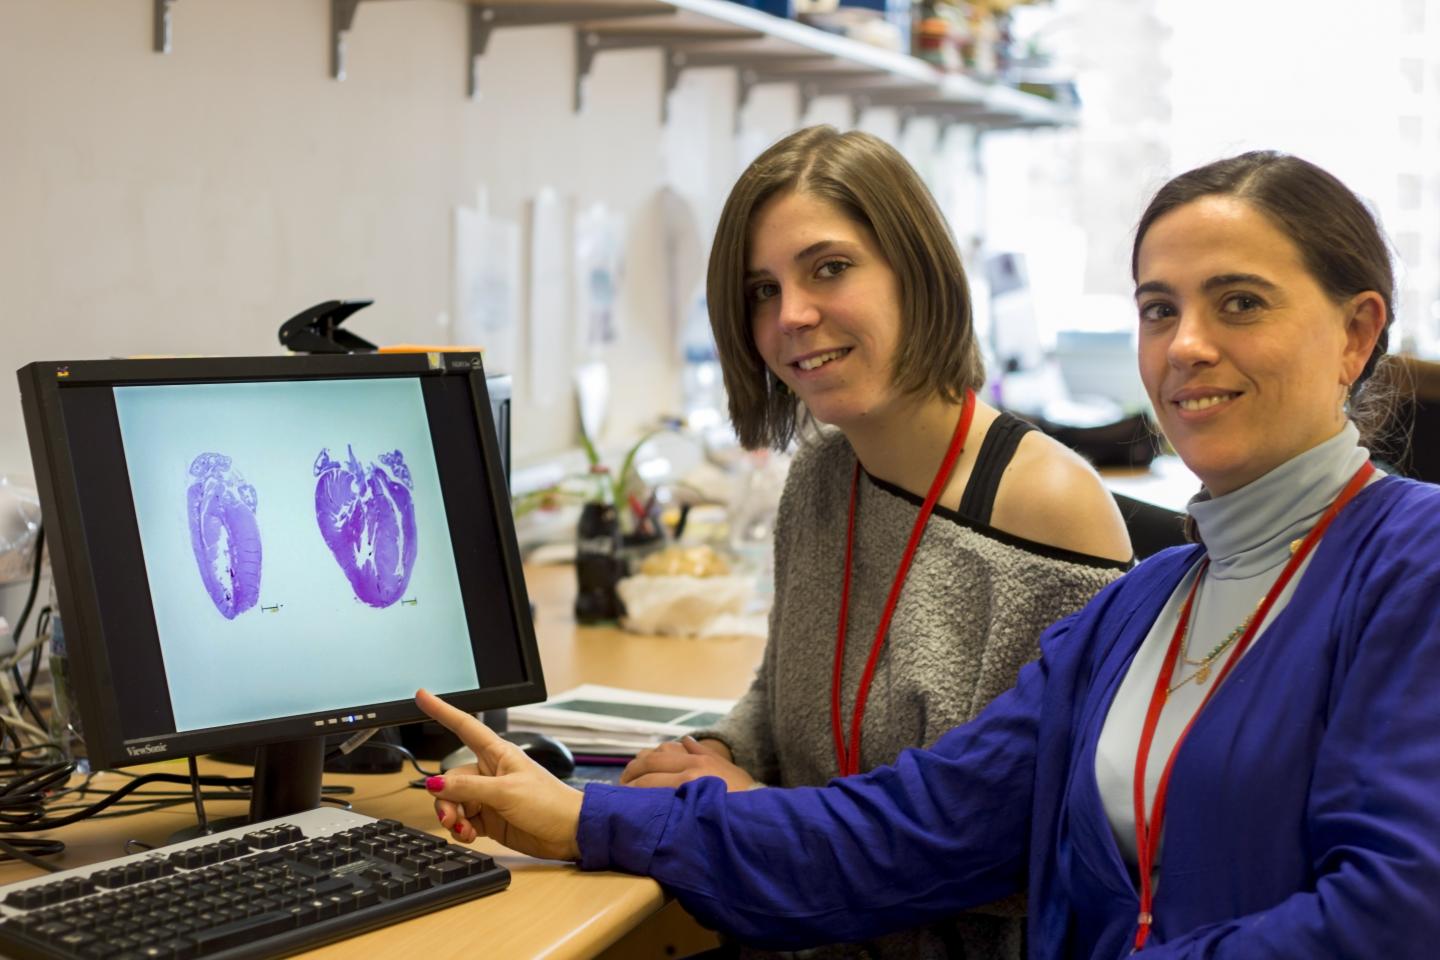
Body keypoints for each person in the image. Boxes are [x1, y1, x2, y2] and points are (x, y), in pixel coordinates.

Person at [418, 148, 1440, 959]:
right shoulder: (1145, 611)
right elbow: (913, 829)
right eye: (1158, 309)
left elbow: (1396, 915)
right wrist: (585, 819)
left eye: (1240, 303)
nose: (1183, 347)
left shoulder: (1414, 563)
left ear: (1356, 336)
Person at [624, 125, 1130, 956]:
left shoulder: (1049, 505)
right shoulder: (825, 471)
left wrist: (747, 808)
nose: (791, 315)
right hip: (802, 910)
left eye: (829, 268)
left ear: (915, 269)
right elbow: (780, 693)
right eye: (761, 289)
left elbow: (1011, 851)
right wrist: (719, 749)